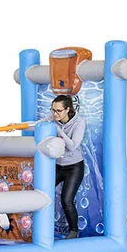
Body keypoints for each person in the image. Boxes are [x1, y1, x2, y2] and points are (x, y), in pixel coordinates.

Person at [44, 95, 86, 239]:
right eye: (53, 110)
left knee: (66, 200)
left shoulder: (79, 122)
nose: (55, 114)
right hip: (58, 166)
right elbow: (36, 124)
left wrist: (58, 130)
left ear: (68, 109)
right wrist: (16, 126)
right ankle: (41, 226)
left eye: (58, 111)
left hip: (74, 167)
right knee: (42, 192)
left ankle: (74, 231)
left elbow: (73, 146)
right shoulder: (53, 118)